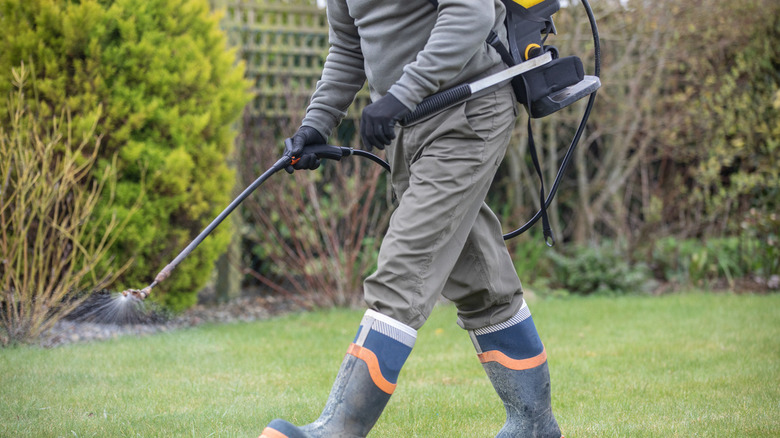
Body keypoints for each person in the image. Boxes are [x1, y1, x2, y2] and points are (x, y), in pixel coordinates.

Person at [261, 0, 562, 437]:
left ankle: (337, 429)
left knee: (404, 266)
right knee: (481, 281)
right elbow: (348, 47)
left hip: (468, 108)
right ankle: (534, 427)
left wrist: (403, 92)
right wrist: (317, 124)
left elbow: (470, 14)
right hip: (409, 126)